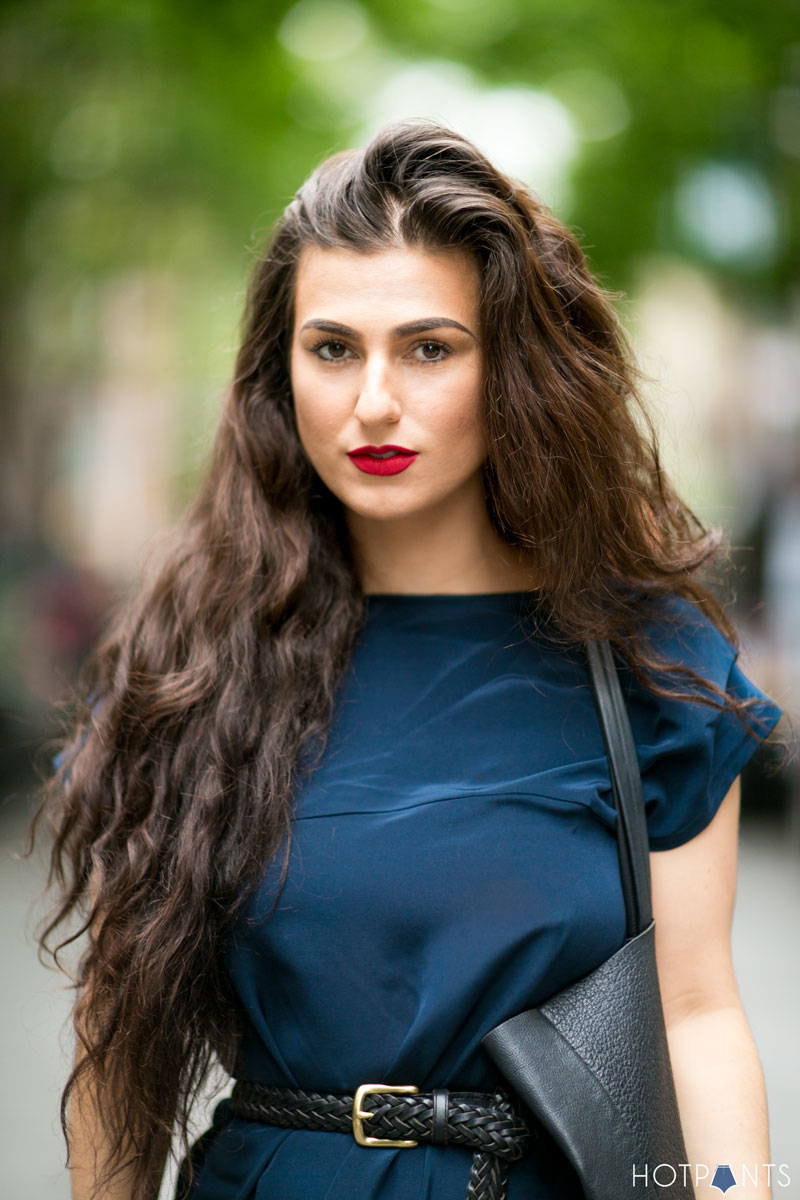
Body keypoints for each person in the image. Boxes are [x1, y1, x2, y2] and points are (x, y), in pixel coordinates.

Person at [34, 119, 786, 1200]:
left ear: (511, 369)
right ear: (278, 369)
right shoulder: (189, 659)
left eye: (429, 348)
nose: (372, 401)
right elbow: (118, 1029)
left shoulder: (645, 660)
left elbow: (695, 1015)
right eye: (331, 348)